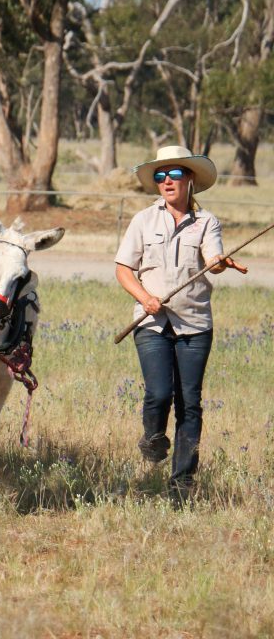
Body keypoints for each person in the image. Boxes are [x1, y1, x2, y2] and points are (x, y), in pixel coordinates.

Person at [114, 146, 247, 503]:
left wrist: (220, 262)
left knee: (190, 402)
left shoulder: (208, 222)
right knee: (159, 393)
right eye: (160, 176)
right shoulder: (143, 220)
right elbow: (123, 270)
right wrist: (144, 298)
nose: (167, 181)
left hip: (195, 324)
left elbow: (212, 260)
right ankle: (152, 437)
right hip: (152, 321)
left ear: (190, 180)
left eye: (174, 175)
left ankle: (181, 485)